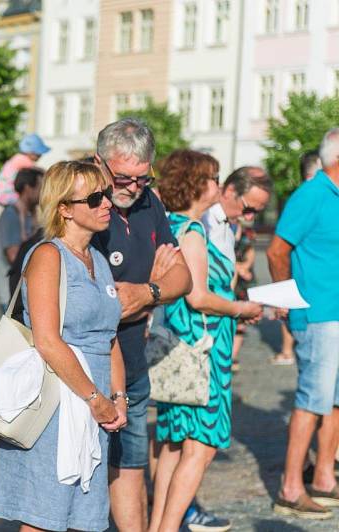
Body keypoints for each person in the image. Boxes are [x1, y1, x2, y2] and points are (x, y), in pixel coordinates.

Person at [0, 161, 126, 532]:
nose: (107, 205)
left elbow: (109, 336)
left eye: (108, 195)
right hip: (56, 398)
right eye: (96, 198)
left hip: (93, 400)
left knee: (84, 518)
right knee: (43, 518)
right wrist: (95, 399)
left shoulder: (98, 258)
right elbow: (48, 341)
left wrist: (118, 397)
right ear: (64, 208)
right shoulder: (48, 255)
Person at [149, 150, 263, 532]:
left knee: (172, 443)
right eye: (213, 178)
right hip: (204, 346)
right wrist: (240, 309)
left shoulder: (169, 222)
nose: (218, 184)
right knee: (201, 447)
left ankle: (156, 527)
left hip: (177, 345)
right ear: (198, 186)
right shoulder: (193, 230)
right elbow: (197, 296)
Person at [90, 118, 193, 532]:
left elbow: (181, 278)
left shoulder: (150, 202)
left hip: (133, 364)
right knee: (79, 475)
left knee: (130, 465)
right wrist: (139, 291)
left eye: (141, 177)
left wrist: (147, 292)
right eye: (122, 177)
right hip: (90, 367)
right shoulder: (85, 200)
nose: (132, 187)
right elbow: (97, 302)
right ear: (99, 162)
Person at [268, 128, 339, 520]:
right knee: (312, 401)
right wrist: (286, 300)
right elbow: (278, 250)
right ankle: (291, 487)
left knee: (334, 402)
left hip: (337, 314)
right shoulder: (312, 194)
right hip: (318, 316)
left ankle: (324, 478)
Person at [201, 166, 271, 375]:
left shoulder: (231, 225)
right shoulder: (202, 221)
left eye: (257, 213)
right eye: (248, 209)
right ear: (230, 191)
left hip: (222, 327)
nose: (250, 217)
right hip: (201, 332)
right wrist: (238, 308)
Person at [272, 150, 322, 366]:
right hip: (313, 306)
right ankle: (286, 350)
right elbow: (276, 251)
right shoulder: (308, 195)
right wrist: (283, 295)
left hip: (322, 302)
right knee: (316, 392)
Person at [0, 167, 43, 311]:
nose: (43, 193)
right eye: (40, 187)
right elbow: (14, 256)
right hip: (12, 296)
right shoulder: (11, 215)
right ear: (28, 188)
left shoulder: (28, 215)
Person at [0, 133, 50, 206]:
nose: (40, 156)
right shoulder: (21, 159)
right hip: (7, 194)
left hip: (3, 195)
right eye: (38, 154)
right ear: (31, 152)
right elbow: (38, 170)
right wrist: (49, 173)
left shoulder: (17, 158)